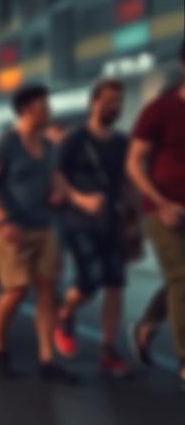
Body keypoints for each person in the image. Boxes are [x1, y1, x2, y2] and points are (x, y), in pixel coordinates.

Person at [0, 84, 74, 383]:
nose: (48, 112)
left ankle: (47, 358)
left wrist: (59, 192)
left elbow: (57, 179)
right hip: (12, 230)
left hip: (44, 228)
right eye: (43, 106)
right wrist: (3, 219)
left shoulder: (48, 147)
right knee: (16, 291)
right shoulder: (6, 143)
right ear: (27, 109)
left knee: (47, 290)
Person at [52, 79, 133, 377]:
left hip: (112, 221)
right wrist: (81, 199)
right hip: (79, 221)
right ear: (93, 103)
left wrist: (130, 215)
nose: (115, 106)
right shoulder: (74, 139)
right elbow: (57, 175)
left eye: (119, 101)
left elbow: (127, 180)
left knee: (115, 284)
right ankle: (65, 315)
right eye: (109, 100)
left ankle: (108, 351)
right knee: (89, 281)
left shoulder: (122, 142)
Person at [126, 40, 185, 392]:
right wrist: (161, 204)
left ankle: (146, 325)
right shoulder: (160, 110)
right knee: (182, 277)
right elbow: (133, 162)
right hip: (162, 211)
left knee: (181, 279)